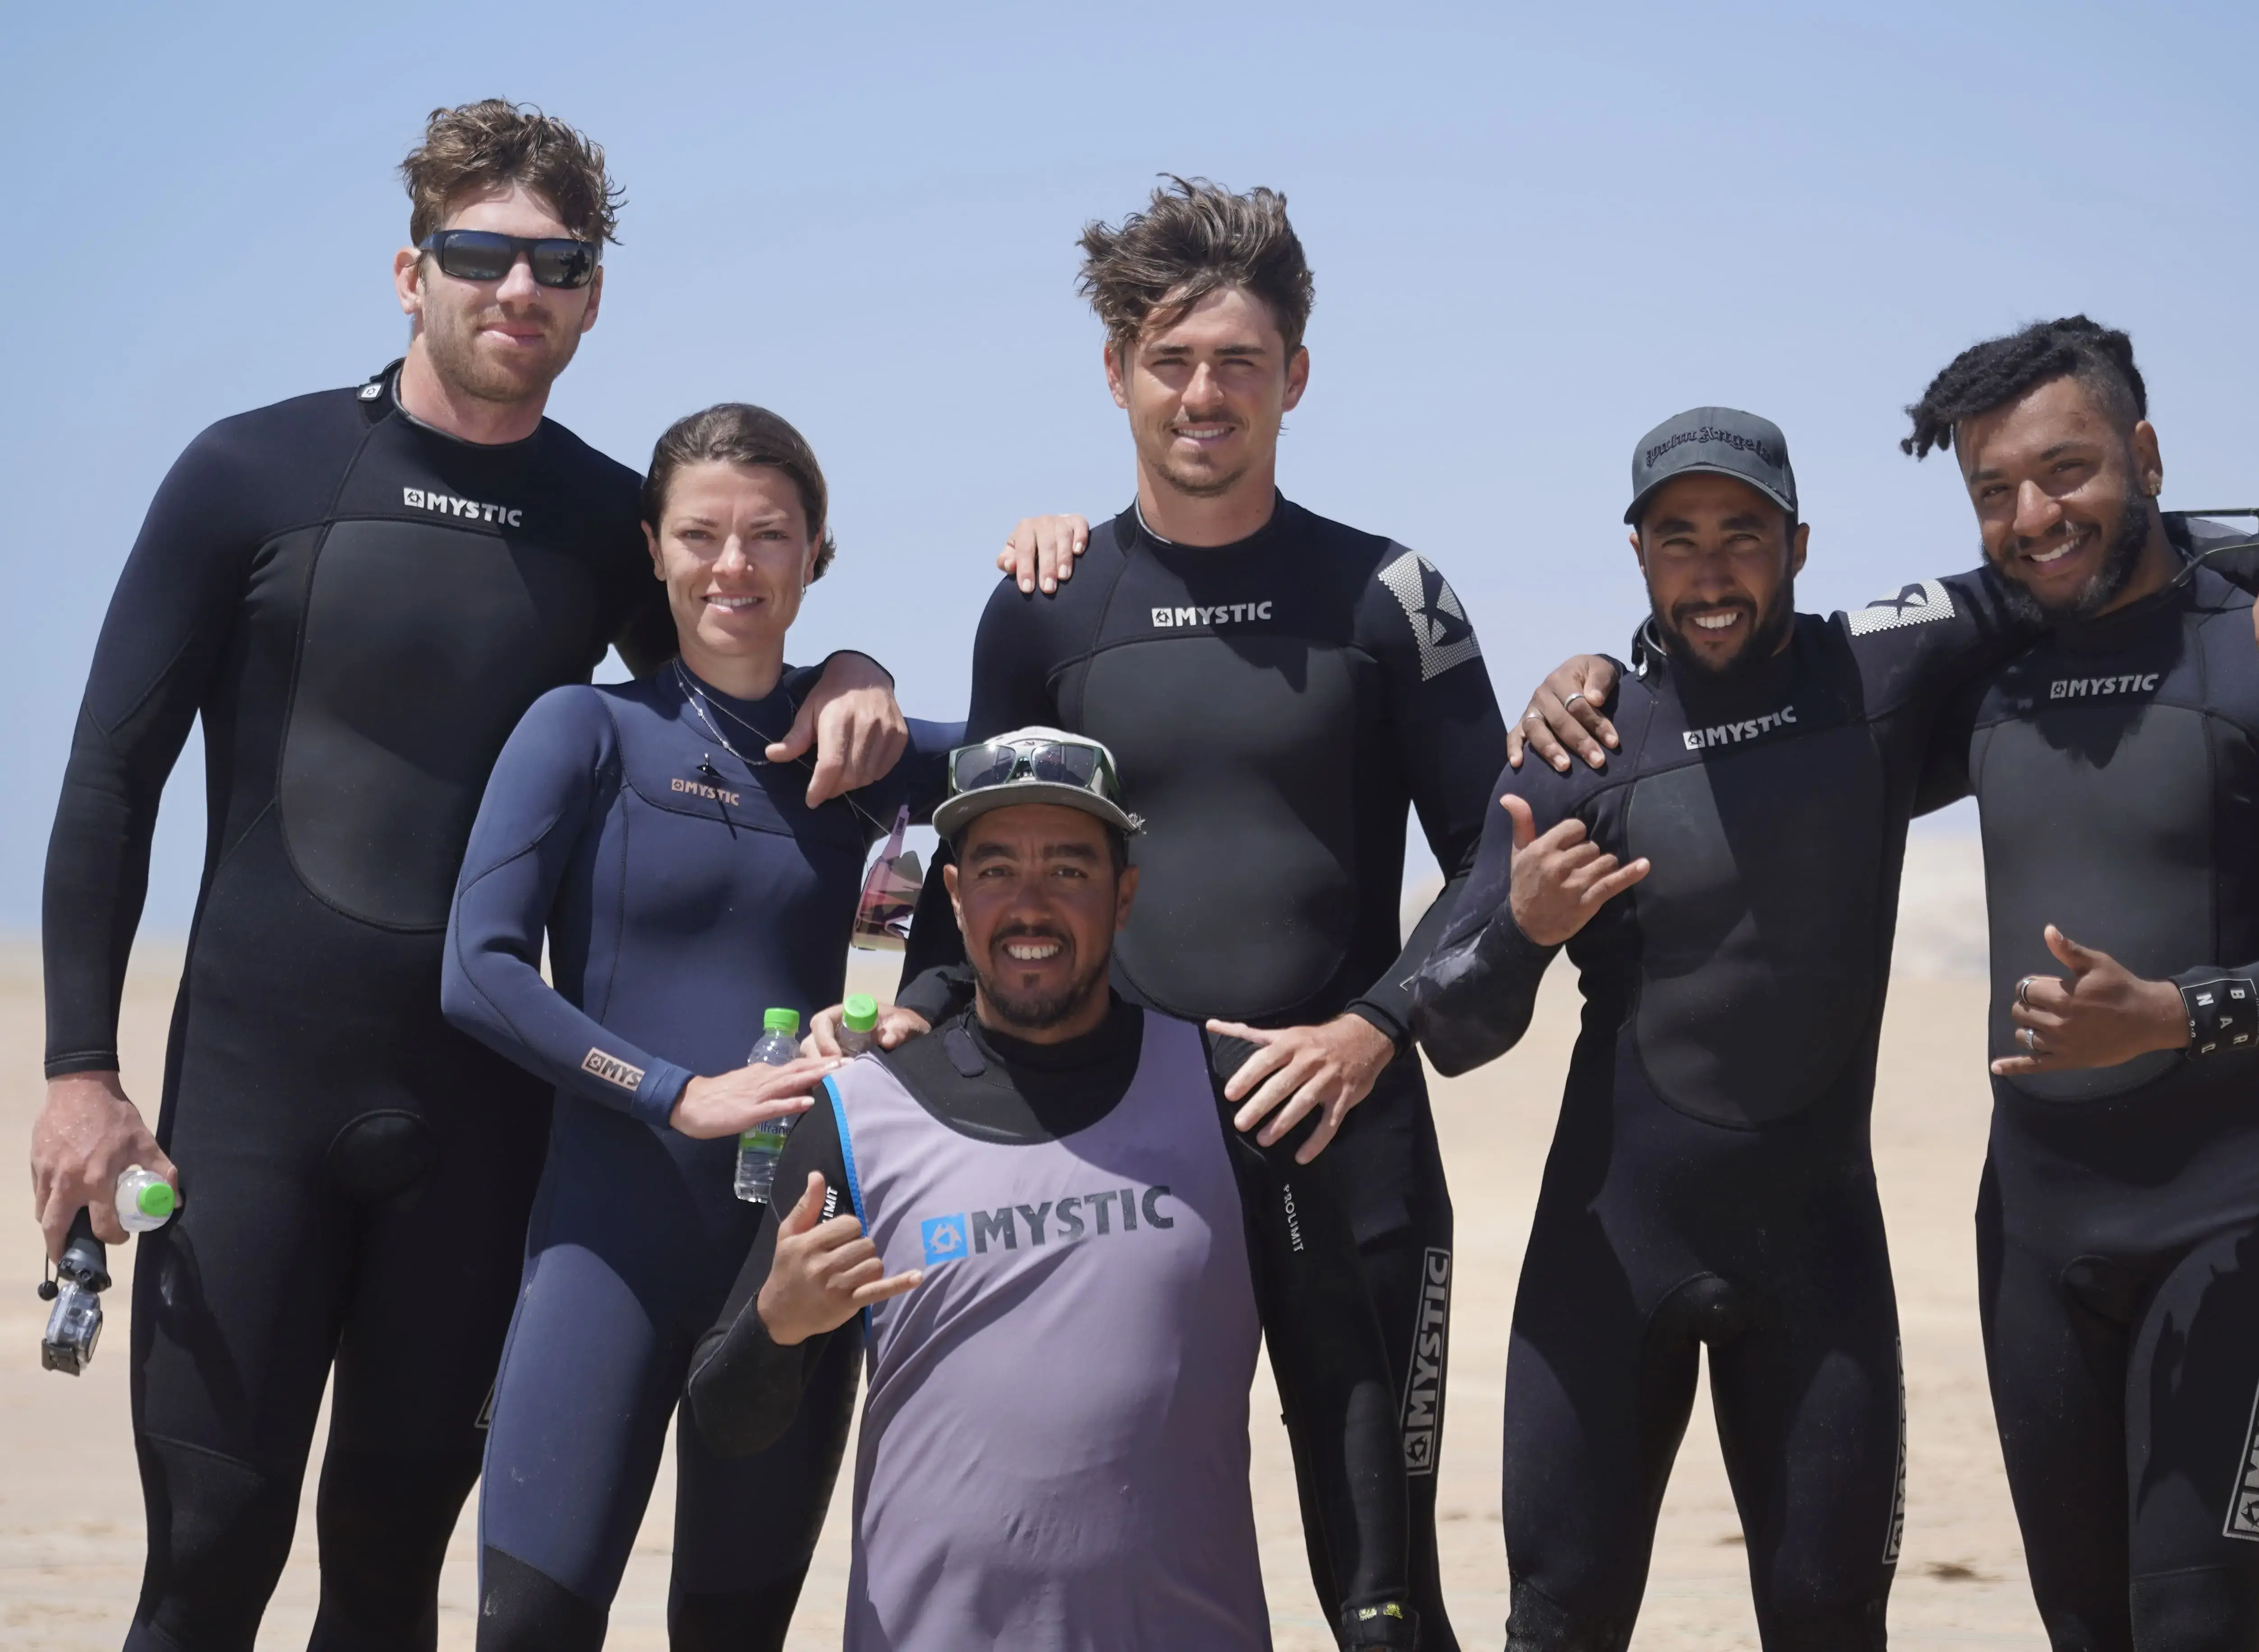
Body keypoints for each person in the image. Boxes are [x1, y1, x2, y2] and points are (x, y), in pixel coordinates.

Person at [31, 104, 905, 1651]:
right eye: (481, 253)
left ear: (591, 293)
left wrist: (854, 660)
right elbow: (110, 778)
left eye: (556, 262)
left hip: (484, 1121)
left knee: (388, 1565)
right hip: (253, 1095)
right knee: (211, 1557)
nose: (519, 289)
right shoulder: (251, 473)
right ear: (408, 269)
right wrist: (81, 1068)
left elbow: (732, 687)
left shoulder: (598, 516)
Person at [1413, 402, 2259, 1650]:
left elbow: (2075, 551)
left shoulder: (1877, 666)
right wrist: (1523, 931)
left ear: (1799, 543)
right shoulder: (1580, 747)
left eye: (1742, 534)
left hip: (1816, 1261)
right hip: (1610, 1255)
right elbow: (1449, 1020)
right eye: (1677, 538)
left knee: (1830, 1621)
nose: (1710, 570)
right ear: (1638, 557)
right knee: (1558, 1619)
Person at [894, 178, 1501, 1648]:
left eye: (1238, 360)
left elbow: (1494, 856)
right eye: (1170, 361)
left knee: (1382, 1591)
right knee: (1098, 1556)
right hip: (1120, 1145)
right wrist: (909, 1035)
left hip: (1341, 1132)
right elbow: (973, 864)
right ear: (1116, 378)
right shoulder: (1047, 604)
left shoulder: (1387, 594)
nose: (1205, 392)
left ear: (1295, 374)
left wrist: (1375, 1029)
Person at [1899, 318, 2259, 1651]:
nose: (2031, 514)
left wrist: (2179, 1012)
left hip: (2237, 1222)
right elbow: (1763, 671)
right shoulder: (1984, 669)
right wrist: (1604, 662)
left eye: (2065, 468)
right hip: (2030, 1229)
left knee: (2193, 1627)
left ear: (2141, 453)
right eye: (1990, 490)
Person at [684, 729, 1417, 1650]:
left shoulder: (1229, 1096)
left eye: (1068, 871)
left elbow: (1338, 1377)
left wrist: (1376, 1612)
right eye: (995, 870)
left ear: (1124, 894)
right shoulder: (858, 1114)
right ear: (954, 896)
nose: (1028, 906)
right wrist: (778, 1322)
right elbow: (725, 1418)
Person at [440, 405, 954, 1649]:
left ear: (814, 552)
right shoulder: (588, 730)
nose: (735, 564)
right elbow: (478, 966)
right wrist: (674, 1088)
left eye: (769, 535)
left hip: (794, 1258)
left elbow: (1078, 777)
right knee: (529, 1627)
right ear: (655, 550)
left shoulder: (876, 762)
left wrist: (904, 1012)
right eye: (702, 534)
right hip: (606, 1247)